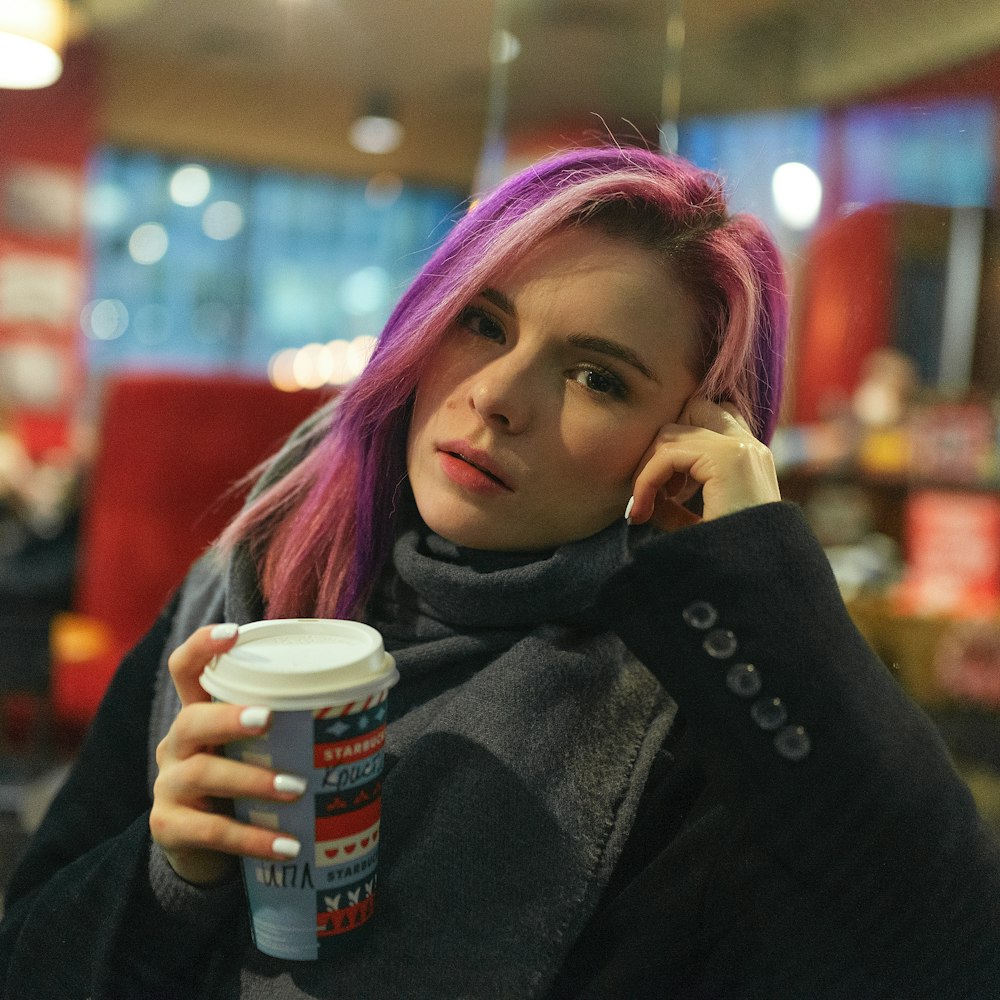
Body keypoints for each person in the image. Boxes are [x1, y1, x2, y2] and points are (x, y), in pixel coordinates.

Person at [1, 145, 998, 1000]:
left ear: (690, 438)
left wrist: (755, 566)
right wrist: (169, 872)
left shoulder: (684, 707)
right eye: (481, 320)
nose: (495, 396)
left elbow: (948, 948)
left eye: (596, 376)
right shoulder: (262, 570)